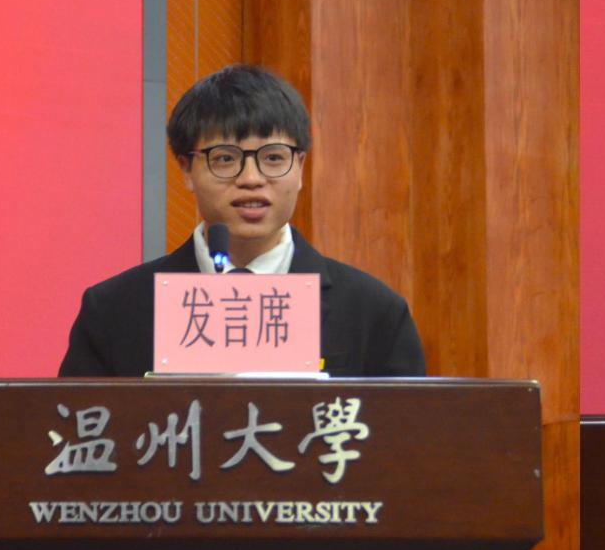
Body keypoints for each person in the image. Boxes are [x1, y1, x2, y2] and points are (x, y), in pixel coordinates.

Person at [59, 64, 425, 377]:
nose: (251, 178)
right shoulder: (113, 311)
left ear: (300, 167)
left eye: (273, 157)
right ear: (186, 169)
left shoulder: (374, 314)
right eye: (225, 158)